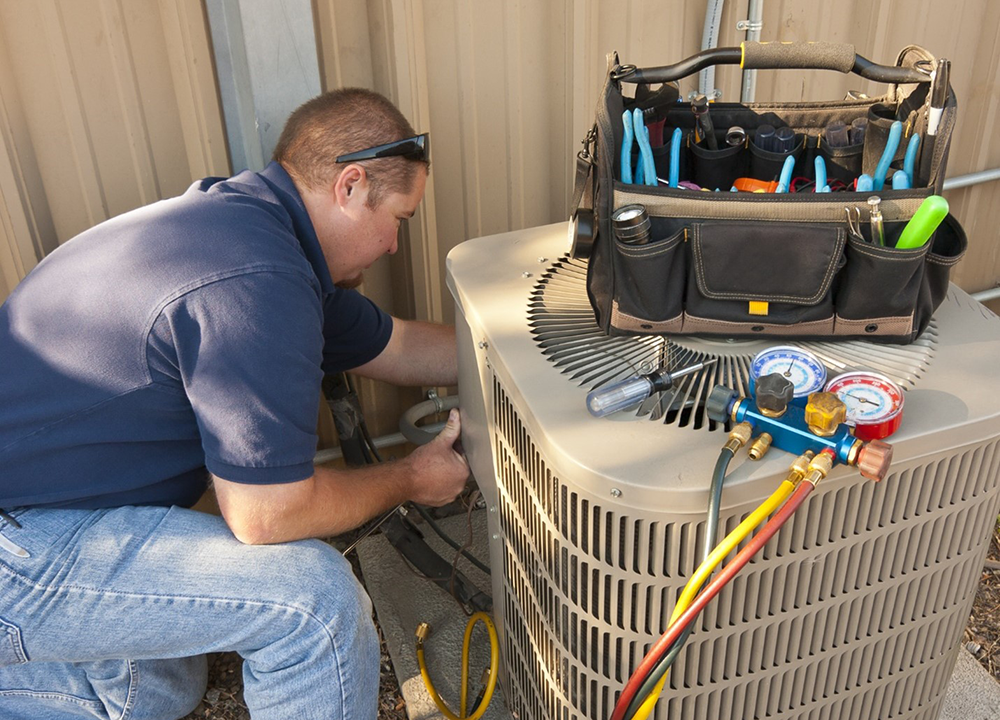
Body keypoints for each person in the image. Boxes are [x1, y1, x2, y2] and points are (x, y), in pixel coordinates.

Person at [0, 88, 469, 720]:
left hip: (48, 517)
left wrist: (527, 354)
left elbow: (403, 347)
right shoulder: (257, 282)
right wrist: (412, 477)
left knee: (155, 690)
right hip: (17, 548)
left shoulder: (254, 232)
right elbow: (266, 515)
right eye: (400, 220)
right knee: (314, 604)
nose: (393, 246)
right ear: (352, 186)